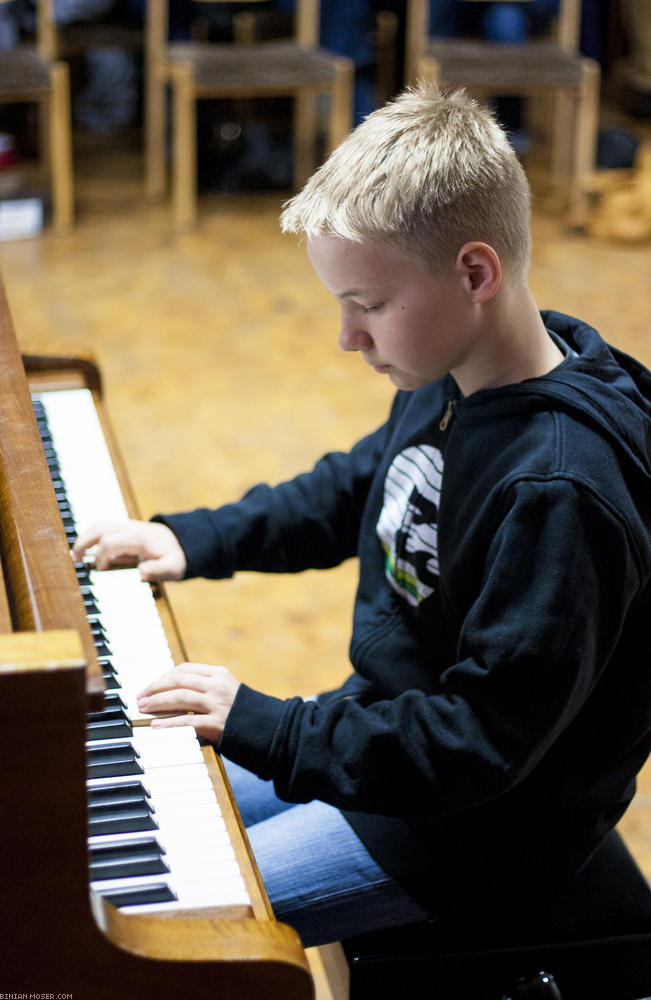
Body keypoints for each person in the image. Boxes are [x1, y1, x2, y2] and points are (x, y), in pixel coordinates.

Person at [73, 85, 651, 948]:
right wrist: (194, 538)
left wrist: (268, 724)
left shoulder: (559, 492)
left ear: (475, 273)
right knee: (91, 817)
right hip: (386, 737)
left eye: (368, 304)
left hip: (467, 831)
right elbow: (362, 483)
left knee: (155, 920)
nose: (347, 337)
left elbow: (481, 741)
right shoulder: (457, 373)